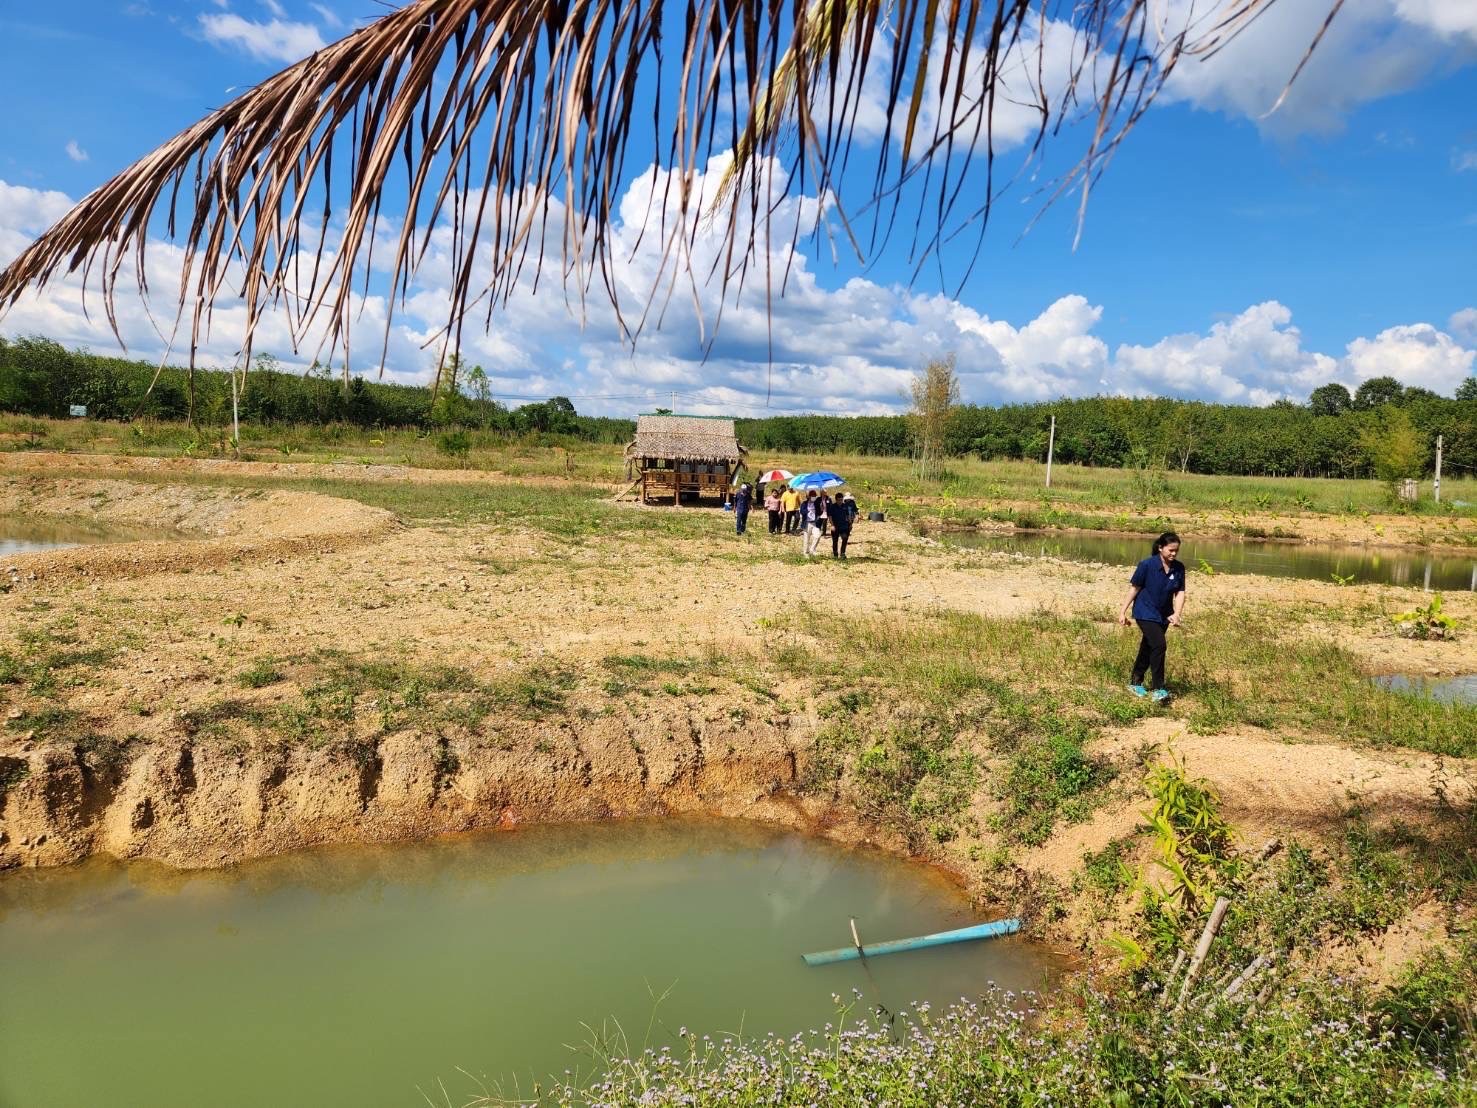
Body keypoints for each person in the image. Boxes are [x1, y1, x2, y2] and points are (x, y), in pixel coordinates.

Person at [1119, 531, 1186, 703]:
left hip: (1163, 614)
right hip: (1144, 612)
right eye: (1170, 550)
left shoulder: (1179, 568)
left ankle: (1135, 682)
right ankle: (1159, 688)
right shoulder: (1146, 565)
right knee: (1159, 644)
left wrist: (1177, 614)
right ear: (1160, 548)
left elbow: (1180, 592)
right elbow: (1134, 588)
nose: (1173, 554)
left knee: (1148, 646)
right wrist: (1122, 611)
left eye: (1176, 551)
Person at [830, 492, 855, 558]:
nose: (840, 501)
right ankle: (835, 554)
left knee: (845, 538)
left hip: (844, 526)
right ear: (836, 499)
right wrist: (832, 525)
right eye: (839, 500)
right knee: (835, 541)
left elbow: (848, 515)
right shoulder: (832, 507)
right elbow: (830, 517)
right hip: (835, 526)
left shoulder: (845, 506)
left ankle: (842, 553)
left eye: (841, 499)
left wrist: (850, 524)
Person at [800, 490, 824, 557]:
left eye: (814, 496)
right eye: (812, 496)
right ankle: (806, 553)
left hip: (814, 523)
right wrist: (808, 510)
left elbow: (819, 513)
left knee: (818, 535)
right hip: (807, 523)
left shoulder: (816, 504)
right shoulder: (804, 503)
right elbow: (802, 512)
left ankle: (812, 549)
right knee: (806, 539)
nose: (814, 497)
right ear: (809, 496)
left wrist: (821, 509)